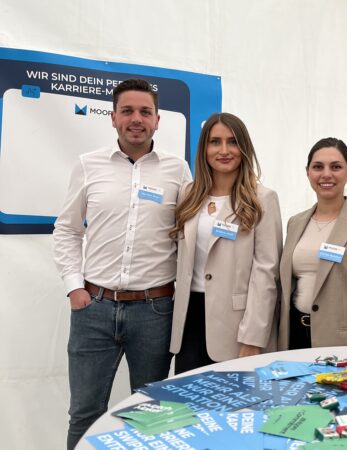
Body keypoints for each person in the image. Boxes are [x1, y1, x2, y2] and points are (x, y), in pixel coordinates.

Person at [53, 78, 192, 449]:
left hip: (154, 311)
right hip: (93, 309)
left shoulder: (178, 171)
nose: (136, 119)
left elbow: (189, 235)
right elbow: (67, 229)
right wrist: (74, 287)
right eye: (127, 111)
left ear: (157, 120)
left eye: (145, 112)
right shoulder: (88, 166)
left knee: (151, 414)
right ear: (113, 117)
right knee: (85, 413)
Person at [169, 112, 282, 373]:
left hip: (236, 327)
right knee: (189, 397)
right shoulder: (188, 194)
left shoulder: (262, 199)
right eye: (215, 142)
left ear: (244, 148)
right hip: (188, 322)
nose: (224, 150)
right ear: (204, 149)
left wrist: (253, 337)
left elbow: (266, 273)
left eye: (232, 142)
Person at [278, 137, 347, 350]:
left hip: (341, 344)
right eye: (318, 167)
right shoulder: (295, 223)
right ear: (308, 172)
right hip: (293, 335)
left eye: (336, 167)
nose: (326, 174)